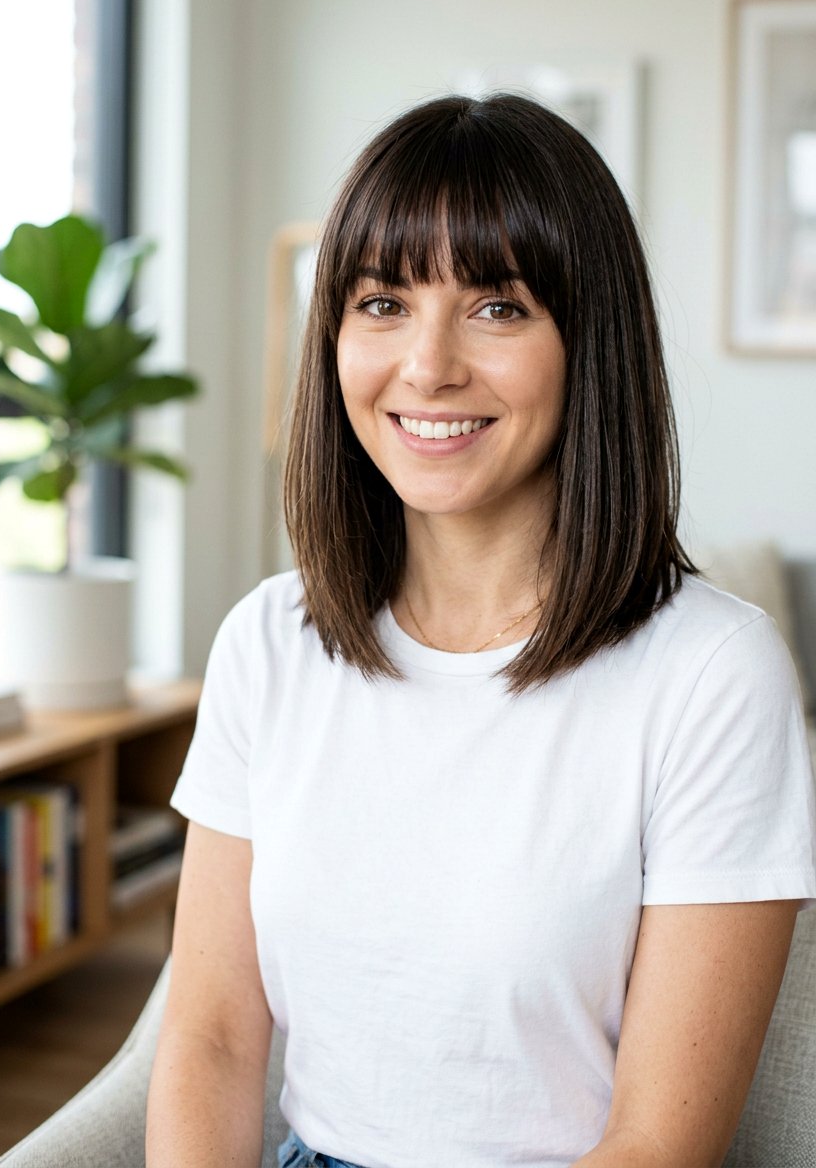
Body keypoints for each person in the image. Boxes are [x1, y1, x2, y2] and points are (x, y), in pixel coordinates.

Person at [145, 94, 816, 1168]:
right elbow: (214, 1039)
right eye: (381, 303)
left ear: (586, 342)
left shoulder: (711, 673)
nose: (427, 366)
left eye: (496, 307)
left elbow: (656, 1145)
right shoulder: (266, 641)